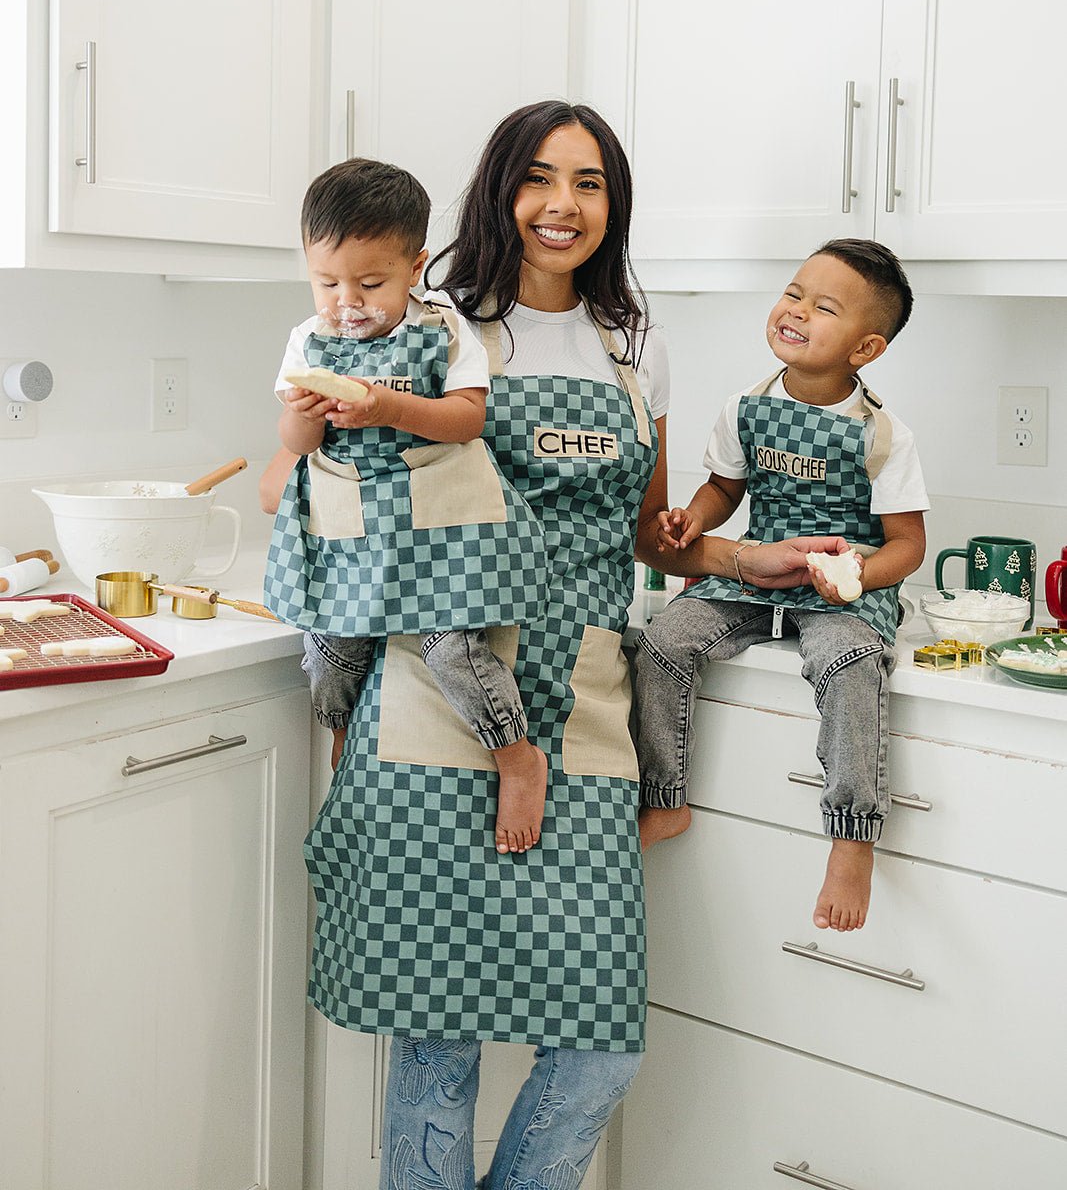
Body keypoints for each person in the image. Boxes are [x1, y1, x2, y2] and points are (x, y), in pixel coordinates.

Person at [300, 101, 852, 1189]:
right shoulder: (435, 323)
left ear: (612, 201)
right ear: (499, 190)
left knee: (600, 1043)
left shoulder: (630, 340)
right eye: (539, 178)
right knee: (434, 1035)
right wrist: (340, 704)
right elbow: (342, 507)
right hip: (438, 691)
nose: (563, 205)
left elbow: (650, 534)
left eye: (589, 182)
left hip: (587, 700)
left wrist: (755, 557)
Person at [634, 238, 928, 934]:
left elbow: (908, 546)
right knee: (661, 642)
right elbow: (722, 488)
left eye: (822, 307)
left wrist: (855, 576)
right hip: (757, 575)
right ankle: (664, 797)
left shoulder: (882, 437)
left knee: (847, 663)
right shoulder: (745, 408)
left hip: (840, 588)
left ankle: (851, 836)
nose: (795, 311)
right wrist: (689, 520)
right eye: (794, 293)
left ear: (865, 348)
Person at [262, 157, 551, 854]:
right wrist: (304, 411)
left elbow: (466, 420)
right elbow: (296, 442)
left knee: (452, 649)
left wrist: (382, 404)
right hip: (353, 529)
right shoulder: (309, 339)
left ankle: (517, 756)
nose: (345, 301)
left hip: (442, 524)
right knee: (330, 648)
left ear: (414, 266)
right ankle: (342, 736)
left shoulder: (446, 330)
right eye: (326, 281)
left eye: (369, 283)